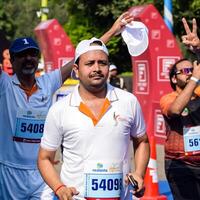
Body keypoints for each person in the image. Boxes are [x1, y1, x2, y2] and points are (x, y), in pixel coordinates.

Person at [0, 12, 134, 200]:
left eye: (32, 54)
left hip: (42, 173)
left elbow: (83, 57)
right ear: (11, 60)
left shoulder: (47, 83)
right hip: (10, 172)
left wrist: (112, 32)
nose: (28, 59)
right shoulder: (4, 85)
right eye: (21, 55)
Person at [37, 36, 150, 200]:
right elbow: (44, 158)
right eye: (89, 63)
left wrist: (139, 173)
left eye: (102, 63)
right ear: (76, 69)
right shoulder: (59, 109)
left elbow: (142, 141)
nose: (97, 68)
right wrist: (59, 188)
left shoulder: (128, 101)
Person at [160, 18, 200, 200]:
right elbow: (176, 109)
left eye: (191, 69)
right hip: (180, 165)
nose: (189, 72)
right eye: (183, 71)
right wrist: (194, 80)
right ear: (174, 79)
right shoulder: (168, 98)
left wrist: (198, 49)